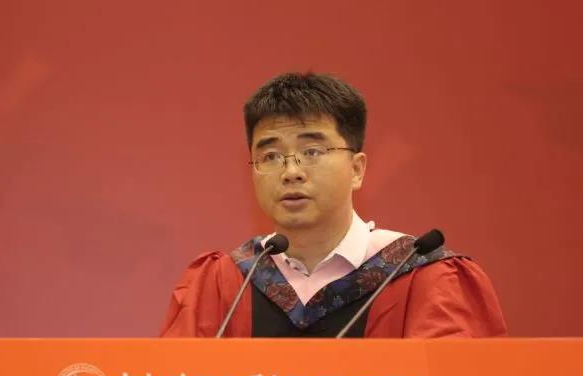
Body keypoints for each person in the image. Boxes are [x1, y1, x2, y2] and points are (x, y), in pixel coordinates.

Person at [161, 72, 506, 338]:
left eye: (312, 152)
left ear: (356, 169)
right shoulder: (223, 284)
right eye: (270, 156)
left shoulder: (423, 277)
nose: (291, 172)